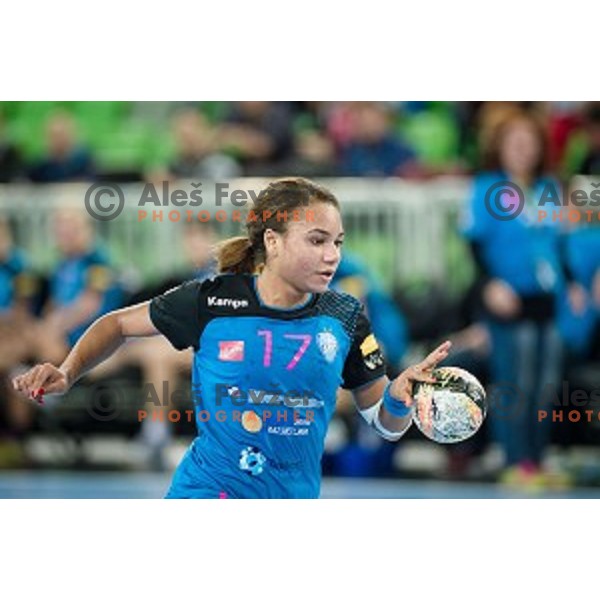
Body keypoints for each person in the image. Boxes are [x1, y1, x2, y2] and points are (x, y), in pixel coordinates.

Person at [12, 177, 450, 499]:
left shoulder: (345, 315)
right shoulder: (213, 299)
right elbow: (118, 324)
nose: (333, 255)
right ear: (273, 242)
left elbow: (384, 423)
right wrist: (68, 372)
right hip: (207, 492)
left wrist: (398, 397)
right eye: (317, 240)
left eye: (337, 241)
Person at [462, 110, 584, 489]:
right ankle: (514, 459)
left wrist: (573, 282)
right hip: (507, 300)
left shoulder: (548, 188)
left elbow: (558, 243)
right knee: (515, 381)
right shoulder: (487, 188)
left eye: (529, 142)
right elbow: (474, 245)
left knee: (546, 383)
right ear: (500, 147)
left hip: (546, 300)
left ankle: (539, 459)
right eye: (515, 142)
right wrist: (490, 285)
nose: (522, 149)